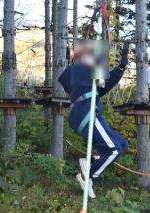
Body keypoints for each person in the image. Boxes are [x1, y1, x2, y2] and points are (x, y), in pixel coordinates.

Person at [58, 43, 129, 198]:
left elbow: (104, 86)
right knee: (113, 150)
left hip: (91, 114)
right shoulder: (76, 71)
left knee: (122, 145)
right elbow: (74, 75)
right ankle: (87, 175)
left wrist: (121, 68)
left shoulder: (86, 76)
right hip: (86, 113)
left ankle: (89, 165)